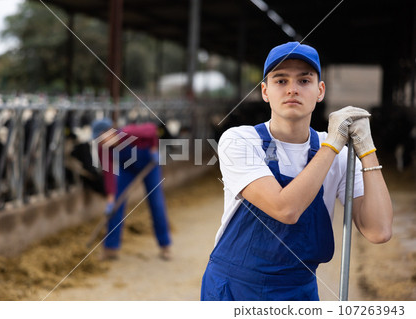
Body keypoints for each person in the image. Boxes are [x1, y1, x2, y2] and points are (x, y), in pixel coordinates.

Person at [200, 42, 393, 301]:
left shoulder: (337, 156)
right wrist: (333, 145)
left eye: (304, 80)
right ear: (265, 91)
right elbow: (285, 209)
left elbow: (378, 231)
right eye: (281, 81)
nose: (292, 89)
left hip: (299, 294)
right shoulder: (240, 140)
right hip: (236, 290)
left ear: (320, 90)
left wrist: (367, 151)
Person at [92, 119, 172, 261]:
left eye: (101, 138)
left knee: (156, 203)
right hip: (127, 169)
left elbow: (152, 129)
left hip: (150, 163)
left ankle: (165, 246)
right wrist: (111, 198)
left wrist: (154, 148)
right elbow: (108, 172)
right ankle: (111, 248)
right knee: (117, 204)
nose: (100, 142)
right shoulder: (102, 148)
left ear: (109, 133)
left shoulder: (128, 132)